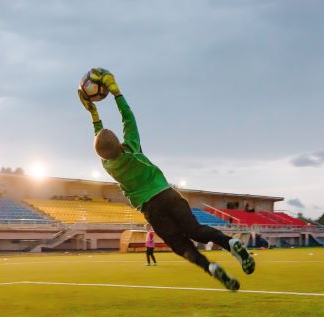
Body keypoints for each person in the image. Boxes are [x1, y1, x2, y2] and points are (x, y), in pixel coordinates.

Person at [78, 68, 255, 290]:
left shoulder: (108, 166)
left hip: (152, 209)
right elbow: (128, 118)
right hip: (168, 195)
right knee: (196, 230)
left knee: (181, 245)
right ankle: (231, 243)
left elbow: (101, 140)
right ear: (118, 143)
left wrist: (93, 115)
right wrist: (116, 93)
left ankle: (210, 267)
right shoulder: (132, 148)